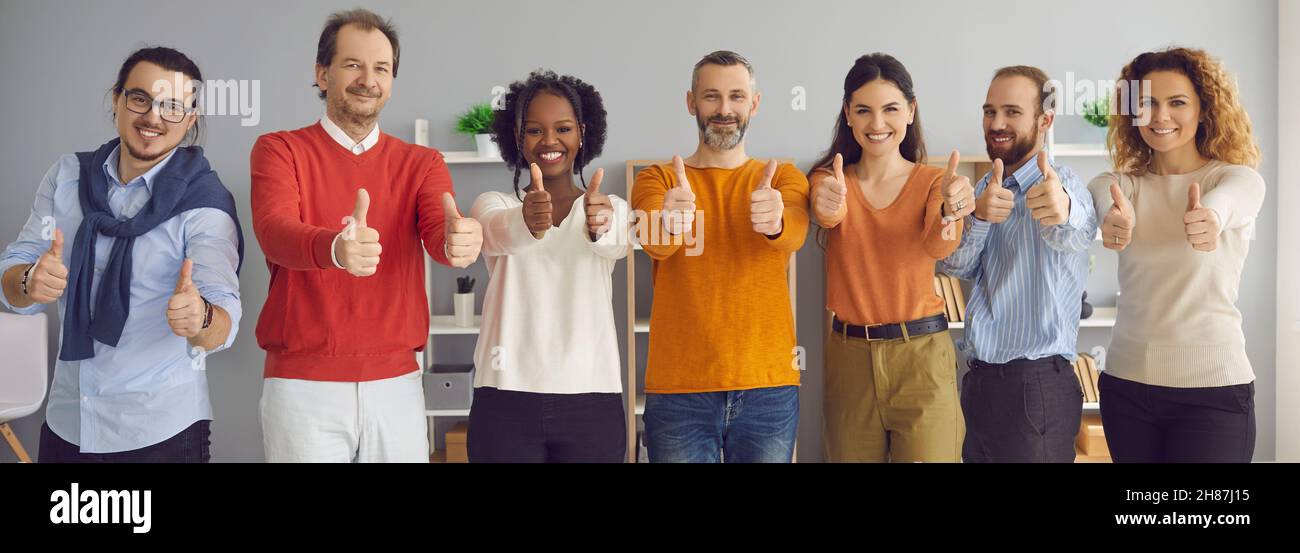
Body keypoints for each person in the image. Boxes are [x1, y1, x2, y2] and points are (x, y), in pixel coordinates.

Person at [251, 9, 482, 462]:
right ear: (322, 74)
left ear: (392, 80)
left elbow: (439, 233)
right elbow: (274, 232)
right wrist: (334, 248)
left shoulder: (423, 162)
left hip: (396, 386)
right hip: (302, 389)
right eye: (352, 65)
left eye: (381, 68)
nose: (368, 79)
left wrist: (458, 240)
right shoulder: (280, 150)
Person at [0, 47, 243, 463]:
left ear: (191, 118)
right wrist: (27, 281)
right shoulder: (67, 176)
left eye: (172, 107)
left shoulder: (205, 203)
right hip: (68, 421)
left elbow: (223, 315)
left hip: (161, 429)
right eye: (140, 99)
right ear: (116, 99)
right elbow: (13, 270)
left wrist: (199, 317)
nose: (153, 117)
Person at [631, 50, 809, 463]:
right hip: (679, 393)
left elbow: (795, 234)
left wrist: (775, 221)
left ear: (755, 103)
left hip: (768, 390)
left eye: (736, 97)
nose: (724, 110)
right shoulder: (656, 178)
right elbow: (653, 241)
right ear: (691, 103)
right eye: (711, 97)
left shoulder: (782, 177)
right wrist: (671, 221)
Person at [1088, 47, 1264, 463]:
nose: (1159, 115)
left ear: (1204, 109)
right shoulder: (1119, 184)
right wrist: (1110, 217)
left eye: (1177, 102)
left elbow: (1235, 199)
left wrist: (1212, 218)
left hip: (1213, 394)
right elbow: (1101, 197)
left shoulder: (1233, 178)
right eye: (1146, 103)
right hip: (1126, 389)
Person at [809, 53, 968, 462]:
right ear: (847, 114)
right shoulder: (828, 179)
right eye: (863, 110)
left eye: (891, 109)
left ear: (911, 111)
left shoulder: (935, 181)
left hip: (922, 357)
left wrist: (950, 212)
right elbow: (827, 212)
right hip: (849, 360)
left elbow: (938, 246)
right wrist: (826, 204)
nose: (877, 124)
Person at [466, 70, 628, 462]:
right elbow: (498, 232)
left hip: (592, 402)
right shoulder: (493, 205)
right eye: (535, 130)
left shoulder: (611, 209)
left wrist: (599, 225)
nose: (550, 141)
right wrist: (527, 220)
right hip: (504, 400)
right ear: (517, 138)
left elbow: (614, 242)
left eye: (563, 128)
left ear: (583, 133)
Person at [939, 65, 1097, 462]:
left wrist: (1061, 207)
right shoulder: (984, 187)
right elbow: (956, 266)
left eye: (1012, 112)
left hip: (1037, 386)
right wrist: (977, 218)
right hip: (980, 383)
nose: (997, 123)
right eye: (990, 112)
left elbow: (1076, 230)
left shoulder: (1063, 183)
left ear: (1044, 120)